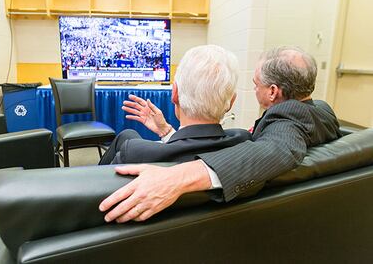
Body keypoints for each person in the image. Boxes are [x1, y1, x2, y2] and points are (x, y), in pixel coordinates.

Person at [99, 46, 343, 223]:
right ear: (230, 102)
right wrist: (166, 131)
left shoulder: (286, 124)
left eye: (255, 83)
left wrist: (178, 177)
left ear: (272, 92)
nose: (253, 87)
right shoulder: (322, 112)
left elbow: (279, 149)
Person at [98, 45, 251, 165]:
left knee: (126, 137)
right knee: (127, 135)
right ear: (231, 102)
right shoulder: (244, 142)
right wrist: (166, 131)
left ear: (174, 93)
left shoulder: (132, 153)